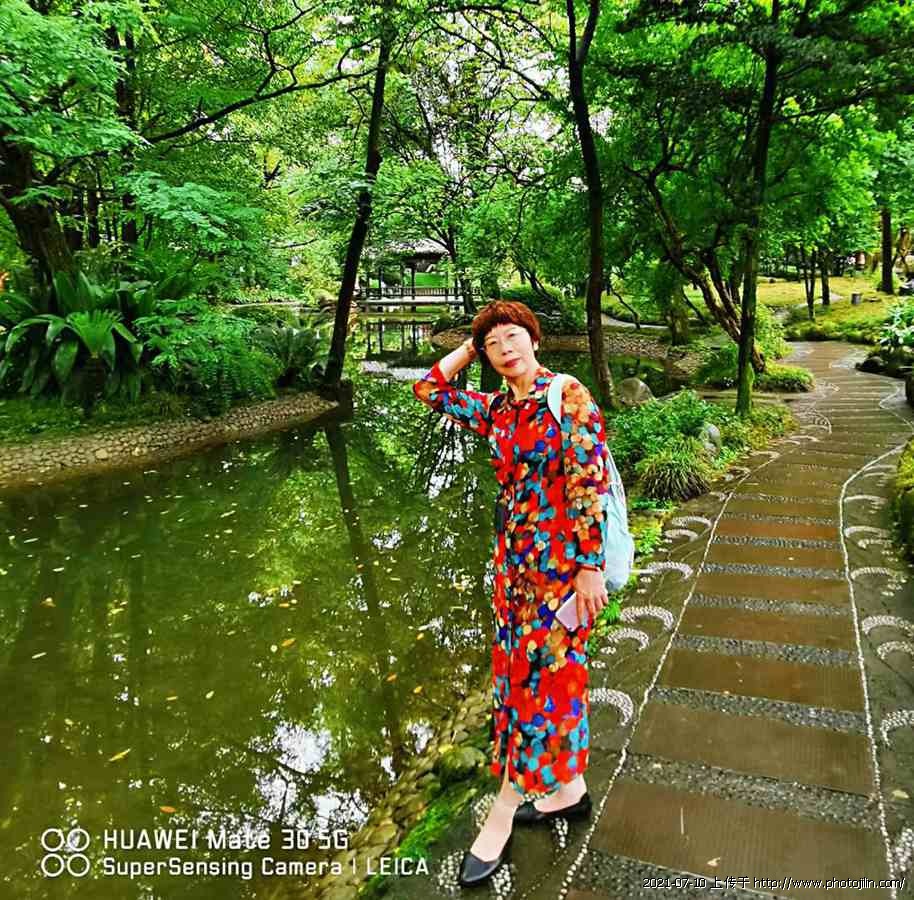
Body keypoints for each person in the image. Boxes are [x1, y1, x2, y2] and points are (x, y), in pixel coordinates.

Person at [412, 301, 613, 888]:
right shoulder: (497, 410)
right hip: (513, 572)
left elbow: (589, 481)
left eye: (513, 335)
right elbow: (428, 389)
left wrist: (590, 567)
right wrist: (467, 345)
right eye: (494, 343)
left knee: (538, 684)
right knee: (534, 677)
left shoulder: (567, 395)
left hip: (562, 574)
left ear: (534, 339)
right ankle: (569, 790)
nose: (506, 348)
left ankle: (502, 810)